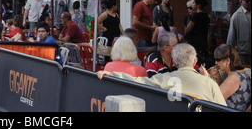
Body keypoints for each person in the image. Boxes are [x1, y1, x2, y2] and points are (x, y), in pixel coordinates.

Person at [97, 43, 227, 106]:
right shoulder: (209, 83)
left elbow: (137, 81)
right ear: (195, 61)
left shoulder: (165, 78)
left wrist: (112, 74)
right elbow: (222, 108)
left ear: (174, 62)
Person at [206, 44, 251, 111]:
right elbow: (228, 94)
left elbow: (214, 99)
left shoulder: (234, 77)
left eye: (218, 60)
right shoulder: (243, 74)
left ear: (228, 61)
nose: (216, 63)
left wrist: (205, 78)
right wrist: (218, 78)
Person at [184, 0, 210, 66]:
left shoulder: (196, 16)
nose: (192, 5)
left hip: (194, 41)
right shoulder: (206, 15)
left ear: (198, 5)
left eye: (193, 3)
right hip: (203, 40)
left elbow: (187, 30)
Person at [227, 0, 251, 65]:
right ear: (241, 2)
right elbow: (231, 35)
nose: (250, 3)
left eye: (250, 0)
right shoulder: (236, 16)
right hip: (243, 50)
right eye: (247, 1)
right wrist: (229, 50)